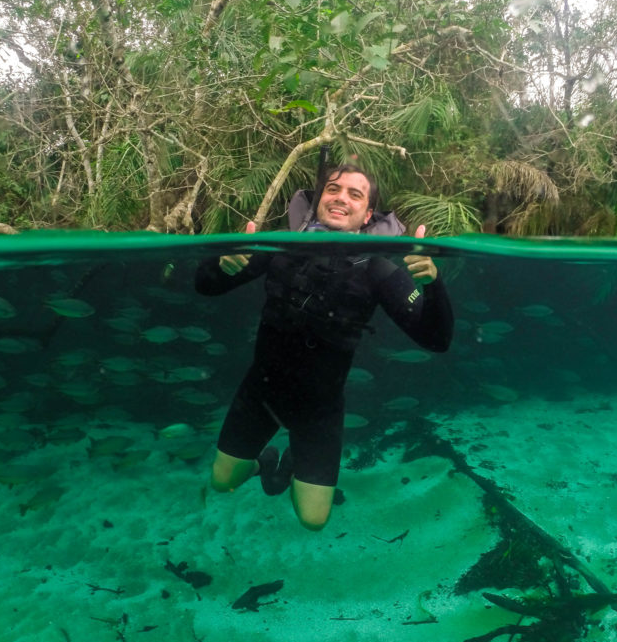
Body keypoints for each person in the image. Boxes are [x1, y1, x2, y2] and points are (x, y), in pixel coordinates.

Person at [194, 164, 454, 530]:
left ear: (367, 216)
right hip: (260, 394)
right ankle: (266, 464)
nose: (341, 197)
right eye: (333, 189)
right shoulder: (279, 247)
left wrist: (433, 283)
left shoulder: (378, 270)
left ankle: (291, 467)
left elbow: (437, 339)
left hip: (320, 409)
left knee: (313, 520)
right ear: (318, 201)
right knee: (222, 483)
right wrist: (223, 265)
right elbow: (206, 286)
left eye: (355, 194)